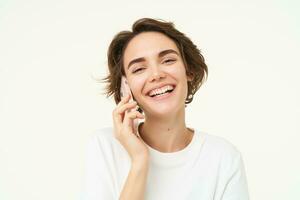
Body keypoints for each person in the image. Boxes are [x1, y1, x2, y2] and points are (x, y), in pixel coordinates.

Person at [82, 18, 250, 200]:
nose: (156, 75)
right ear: (126, 86)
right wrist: (139, 161)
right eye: (139, 69)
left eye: (168, 60)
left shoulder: (224, 158)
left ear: (189, 70)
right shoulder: (105, 146)